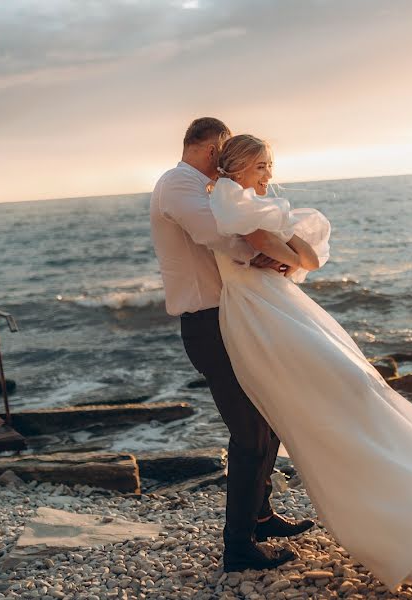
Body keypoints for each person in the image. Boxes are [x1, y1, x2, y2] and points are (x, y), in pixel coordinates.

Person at [204, 133, 412, 599]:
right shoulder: (233, 203)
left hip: (268, 307)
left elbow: (301, 257)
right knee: (348, 391)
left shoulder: (238, 201)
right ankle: (396, 498)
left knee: (351, 390)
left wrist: (288, 256)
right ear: (240, 163)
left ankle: (403, 488)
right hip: (261, 312)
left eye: (270, 165)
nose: (269, 175)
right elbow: (285, 251)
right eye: (262, 165)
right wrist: (285, 255)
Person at [150, 118, 315, 573]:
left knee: (269, 414)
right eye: (223, 154)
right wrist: (262, 253)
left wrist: (272, 250)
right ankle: (238, 546)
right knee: (249, 434)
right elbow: (216, 235)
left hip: (231, 319)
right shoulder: (178, 184)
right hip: (207, 324)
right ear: (211, 147)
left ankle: (260, 516)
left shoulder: (204, 188)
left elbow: (233, 229)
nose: (225, 164)